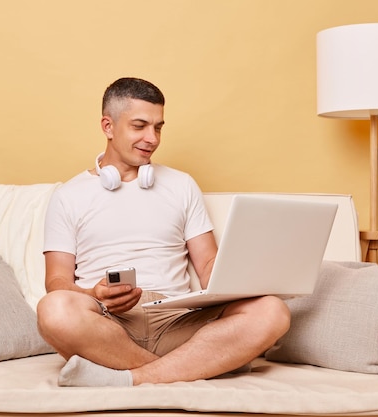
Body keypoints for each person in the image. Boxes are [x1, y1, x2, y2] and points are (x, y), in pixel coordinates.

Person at [37, 77, 290, 387]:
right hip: (107, 322)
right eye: (140, 126)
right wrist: (94, 295)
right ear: (108, 126)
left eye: (158, 127)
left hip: (177, 318)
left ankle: (132, 378)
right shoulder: (68, 195)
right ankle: (199, 367)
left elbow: (208, 266)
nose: (152, 138)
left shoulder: (182, 184)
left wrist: (246, 280)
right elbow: (57, 282)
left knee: (272, 311)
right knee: (53, 310)